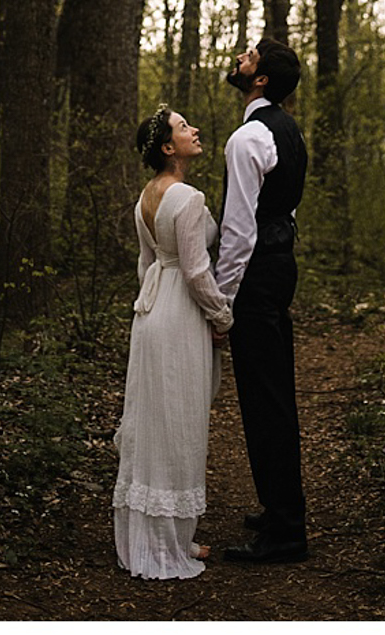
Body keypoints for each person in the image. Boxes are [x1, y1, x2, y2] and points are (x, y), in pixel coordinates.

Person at [112, 107, 234, 580]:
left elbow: (148, 265)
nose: (194, 130)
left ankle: (164, 535)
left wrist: (154, 306)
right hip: (180, 313)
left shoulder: (147, 195)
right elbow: (197, 269)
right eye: (184, 128)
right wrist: (221, 314)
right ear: (167, 147)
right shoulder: (185, 196)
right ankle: (168, 545)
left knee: (156, 424)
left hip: (151, 314)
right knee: (178, 424)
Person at [216, 37, 310, 564]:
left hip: (255, 274)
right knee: (276, 392)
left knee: (264, 401)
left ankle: (286, 532)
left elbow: (238, 231)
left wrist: (221, 303)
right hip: (281, 266)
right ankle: (279, 509)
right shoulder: (289, 131)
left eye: (248, 56)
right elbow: (287, 211)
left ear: (261, 80)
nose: (239, 58)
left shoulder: (248, 137)